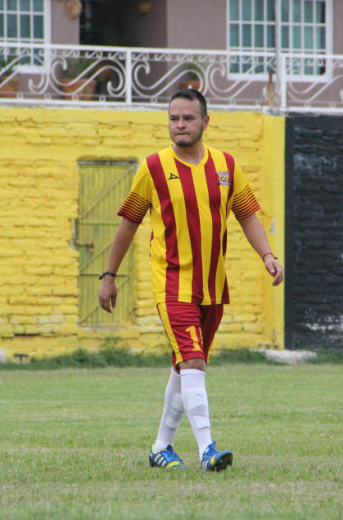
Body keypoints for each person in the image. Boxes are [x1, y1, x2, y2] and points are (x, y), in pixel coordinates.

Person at [98, 89, 284, 471]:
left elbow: (248, 214)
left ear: (205, 122)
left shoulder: (226, 165)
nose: (179, 125)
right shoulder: (152, 167)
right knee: (194, 360)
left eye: (187, 118)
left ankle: (160, 447)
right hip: (172, 285)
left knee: (185, 366)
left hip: (213, 287)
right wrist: (108, 276)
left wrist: (267, 255)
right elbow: (127, 226)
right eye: (173, 119)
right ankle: (208, 450)